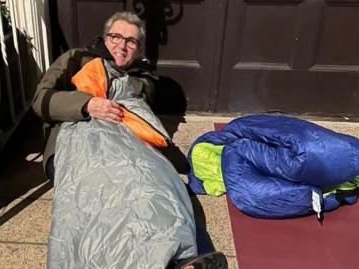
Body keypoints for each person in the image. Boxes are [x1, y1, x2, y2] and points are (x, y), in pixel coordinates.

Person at [32, 11, 227, 269]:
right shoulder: (77, 58)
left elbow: (141, 117)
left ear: (138, 49)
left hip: (130, 139)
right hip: (81, 136)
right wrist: (88, 104)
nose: (122, 45)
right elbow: (41, 100)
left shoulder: (143, 79)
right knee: (106, 192)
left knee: (162, 187)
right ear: (105, 36)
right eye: (116, 36)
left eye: (131, 41)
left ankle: (187, 260)